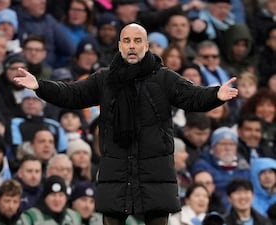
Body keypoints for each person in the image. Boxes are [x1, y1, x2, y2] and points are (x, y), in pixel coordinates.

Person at [13, 23, 238, 225]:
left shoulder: (164, 78)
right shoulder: (104, 79)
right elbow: (72, 94)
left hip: (156, 174)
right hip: (116, 172)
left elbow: (193, 97)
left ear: (147, 45)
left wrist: (216, 94)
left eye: (137, 40)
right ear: (120, 45)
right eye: (127, 40)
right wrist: (40, 86)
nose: (132, 46)